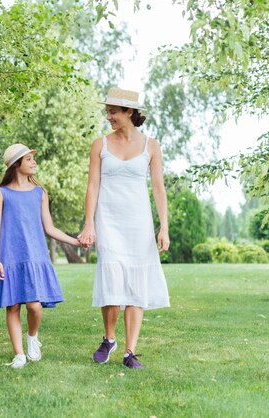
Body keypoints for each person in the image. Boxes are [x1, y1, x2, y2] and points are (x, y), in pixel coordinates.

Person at [77, 87, 170, 369]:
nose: (108, 117)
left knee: (136, 285)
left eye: (113, 112)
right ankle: (109, 338)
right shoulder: (100, 144)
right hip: (109, 221)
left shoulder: (151, 146)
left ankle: (130, 352)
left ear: (129, 112)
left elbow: (158, 188)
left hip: (138, 224)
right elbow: (92, 185)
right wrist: (88, 222)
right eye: (107, 111)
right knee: (112, 280)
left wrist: (163, 227)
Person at [0, 143, 79, 369]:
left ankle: (32, 336)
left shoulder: (40, 192)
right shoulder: (1, 193)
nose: (33, 162)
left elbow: (49, 228)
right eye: (29, 159)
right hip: (9, 257)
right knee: (12, 306)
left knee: (34, 306)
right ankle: (19, 354)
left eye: (32, 158)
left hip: (35, 256)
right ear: (16, 165)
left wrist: (75, 241)